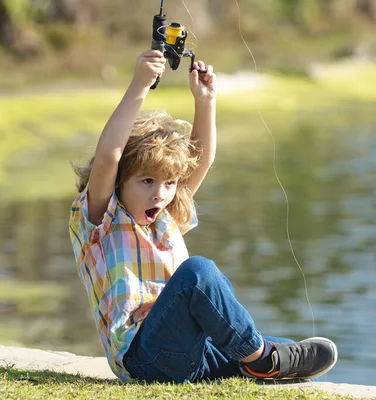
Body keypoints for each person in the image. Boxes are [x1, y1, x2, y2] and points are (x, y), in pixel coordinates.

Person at [68, 49, 337, 383]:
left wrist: (205, 101)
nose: (160, 193)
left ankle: (257, 360)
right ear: (120, 181)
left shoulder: (166, 218)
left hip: (190, 354)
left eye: (168, 183)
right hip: (144, 358)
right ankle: (261, 360)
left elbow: (202, 159)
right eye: (147, 181)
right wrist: (140, 84)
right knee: (198, 273)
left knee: (269, 343)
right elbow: (109, 155)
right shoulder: (101, 224)